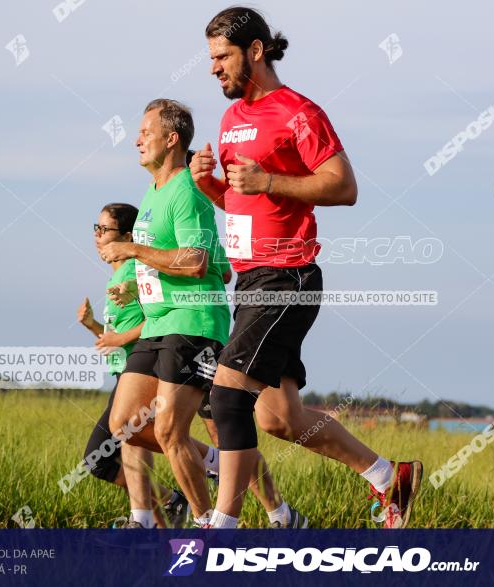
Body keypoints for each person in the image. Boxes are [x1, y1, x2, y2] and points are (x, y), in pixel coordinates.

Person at [189, 6, 421, 529]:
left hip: (286, 277)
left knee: (226, 395)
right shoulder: (231, 120)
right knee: (279, 418)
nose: (213, 68)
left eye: (221, 56)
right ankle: (389, 477)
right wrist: (212, 188)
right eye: (210, 58)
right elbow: (243, 201)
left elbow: (344, 186)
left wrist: (270, 180)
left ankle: (221, 528)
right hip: (251, 281)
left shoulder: (299, 112)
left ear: (255, 51)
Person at [102, 98, 301, 527]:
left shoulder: (188, 192)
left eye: (145, 131)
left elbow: (195, 261)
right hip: (157, 324)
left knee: (172, 431)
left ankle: (207, 523)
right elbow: (192, 261)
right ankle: (217, 463)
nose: (136, 139)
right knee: (125, 424)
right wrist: (135, 281)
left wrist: (133, 249)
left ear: (171, 139)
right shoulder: (153, 192)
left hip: (192, 322)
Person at [77, 202, 186, 528]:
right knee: (128, 447)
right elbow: (116, 336)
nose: (98, 237)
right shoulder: (119, 274)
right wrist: (95, 327)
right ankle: (152, 527)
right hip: (124, 373)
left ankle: (170, 500)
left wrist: (117, 338)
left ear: (126, 236)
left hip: (141, 372)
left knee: (99, 458)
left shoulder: (134, 272)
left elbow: (154, 319)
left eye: (104, 230)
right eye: (95, 229)